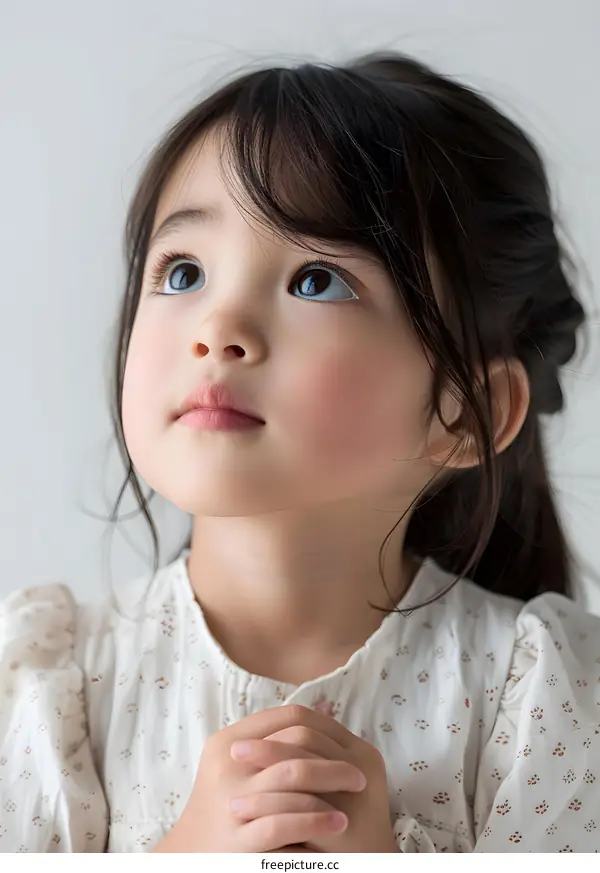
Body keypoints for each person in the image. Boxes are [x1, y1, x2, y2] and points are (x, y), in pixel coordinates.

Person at [1, 50, 598, 854]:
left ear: (467, 414)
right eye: (183, 272)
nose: (219, 330)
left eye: (316, 280)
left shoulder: (547, 702)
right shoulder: (42, 688)